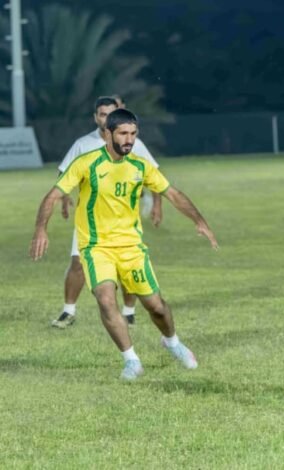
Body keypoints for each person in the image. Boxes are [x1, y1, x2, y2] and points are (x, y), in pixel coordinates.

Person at [31, 109, 219, 380]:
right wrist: (41, 229)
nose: (129, 139)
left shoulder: (140, 166)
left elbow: (173, 194)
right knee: (106, 300)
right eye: (123, 133)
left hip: (131, 248)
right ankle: (131, 360)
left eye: (133, 133)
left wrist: (200, 221)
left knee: (156, 306)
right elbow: (52, 196)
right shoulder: (87, 163)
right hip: (96, 247)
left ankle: (172, 342)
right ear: (108, 134)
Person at [52, 96, 162, 328]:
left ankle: (129, 312)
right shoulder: (83, 144)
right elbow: (63, 173)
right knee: (77, 263)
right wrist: (64, 199)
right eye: (102, 114)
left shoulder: (133, 143)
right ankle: (68, 310)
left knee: (127, 268)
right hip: (90, 223)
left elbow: (155, 174)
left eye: (111, 113)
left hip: (123, 222)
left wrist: (157, 206)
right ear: (96, 117)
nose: (106, 118)